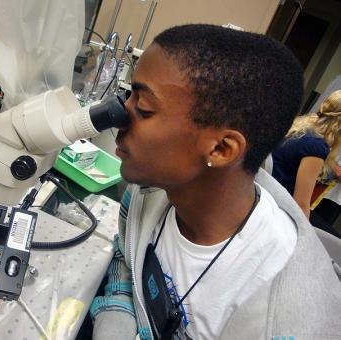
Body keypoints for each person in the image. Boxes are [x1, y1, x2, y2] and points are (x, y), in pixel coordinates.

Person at [90, 24, 341, 340]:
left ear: (222, 149)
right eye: (129, 96)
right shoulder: (148, 194)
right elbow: (127, 263)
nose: (118, 115)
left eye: (144, 108)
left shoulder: (290, 321)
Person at [271, 90, 341, 219]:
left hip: (265, 194)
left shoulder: (299, 128)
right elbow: (301, 205)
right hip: (276, 208)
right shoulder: (317, 147)